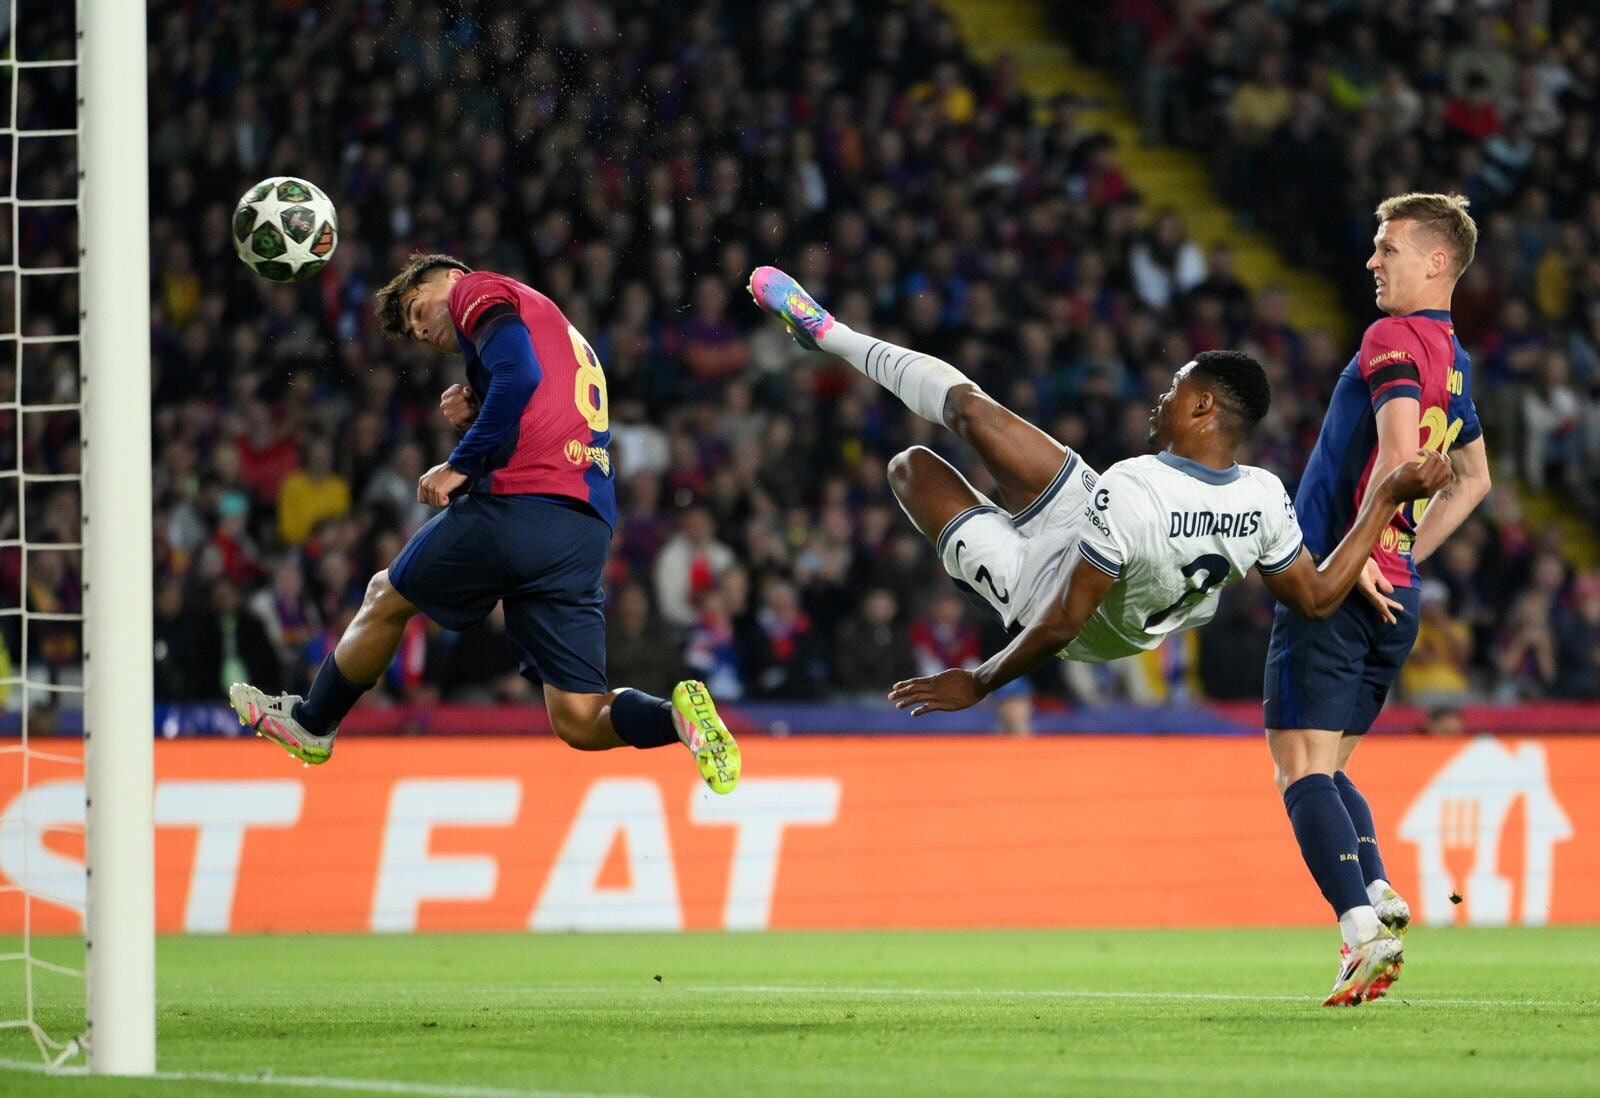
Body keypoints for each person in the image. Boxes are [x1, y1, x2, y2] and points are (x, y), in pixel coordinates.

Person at [749, 262, 1449, 958]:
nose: (1159, 400)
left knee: (910, 466)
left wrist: (981, 680)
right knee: (968, 407)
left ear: (1203, 407)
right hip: (1097, 533)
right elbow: (1318, 593)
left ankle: (976, 551)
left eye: (1174, 390)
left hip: (1049, 598)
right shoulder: (1262, 495)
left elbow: (1060, 622)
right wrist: (1382, 505)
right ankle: (829, 333)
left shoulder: (1135, 488)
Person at [227, 254, 739, 795]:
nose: (421, 330)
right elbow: (539, 395)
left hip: (522, 506)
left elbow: (520, 375)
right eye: (413, 331)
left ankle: (311, 724)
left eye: (416, 309)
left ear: (450, 277)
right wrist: (480, 413)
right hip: (583, 528)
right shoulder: (547, 323)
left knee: (384, 595)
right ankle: (678, 721)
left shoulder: (475, 289)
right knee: (580, 718)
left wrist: (461, 463)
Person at [1263, 193, 1491, 1006]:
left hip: (1338, 583)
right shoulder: (1454, 357)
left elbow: (1398, 460)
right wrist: (1400, 556)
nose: (1372, 261)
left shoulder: (1390, 337)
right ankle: (1380, 888)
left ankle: (1361, 929)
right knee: (1329, 766)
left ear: (1437, 261)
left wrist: (1356, 552)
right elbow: (1475, 480)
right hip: (1396, 592)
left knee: (1297, 768)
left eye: (1388, 248)